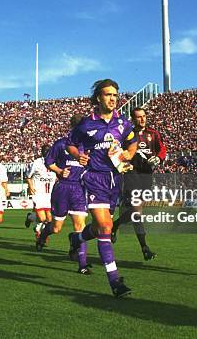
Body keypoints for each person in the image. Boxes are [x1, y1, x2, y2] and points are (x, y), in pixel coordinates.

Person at [67, 79, 138, 298]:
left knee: (99, 228)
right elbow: (71, 143)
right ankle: (115, 281)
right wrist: (78, 155)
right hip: (94, 179)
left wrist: (129, 154)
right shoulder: (86, 124)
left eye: (115, 95)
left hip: (115, 180)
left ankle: (77, 239)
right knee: (106, 226)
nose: (112, 99)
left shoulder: (123, 122)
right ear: (98, 97)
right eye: (108, 95)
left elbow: (132, 141)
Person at [36, 114, 93, 275]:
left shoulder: (87, 146)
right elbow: (49, 162)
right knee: (56, 228)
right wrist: (60, 171)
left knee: (80, 226)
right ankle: (43, 235)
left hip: (79, 190)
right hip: (62, 188)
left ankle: (82, 264)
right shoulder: (61, 144)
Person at [111, 107, 166, 260]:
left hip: (147, 176)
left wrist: (159, 158)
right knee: (136, 211)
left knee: (136, 212)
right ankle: (145, 248)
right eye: (138, 117)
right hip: (131, 175)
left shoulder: (153, 134)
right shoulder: (128, 134)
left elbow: (162, 149)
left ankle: (116, 225)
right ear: (133, 119)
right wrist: (122, 164)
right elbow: (118, 152)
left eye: (143, 116)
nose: (142, 119)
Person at [26, 145, 57, 240]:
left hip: (49, 195)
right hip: (38, 194)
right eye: (45, 151)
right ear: (42, 153)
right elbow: (28, 176)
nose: (47, 153)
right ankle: (39, 233)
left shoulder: (56, 163)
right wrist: (31, 186)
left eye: (49, 151)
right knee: (43, 218)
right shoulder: (37, 163)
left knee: (49, 219)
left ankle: (32, 219)